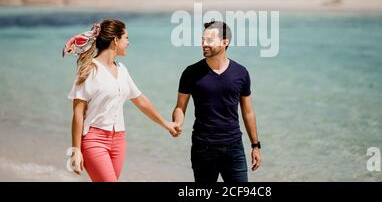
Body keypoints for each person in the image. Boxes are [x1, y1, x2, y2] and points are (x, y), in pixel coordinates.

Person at [63, 19, 181, 182]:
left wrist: (166, 124)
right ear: (116, 40)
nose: (128, 42)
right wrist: (76, 149)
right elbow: (77, 112)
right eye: (126, 38)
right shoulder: (89, 69)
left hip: (119, 140)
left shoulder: (122, 70)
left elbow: (140, 100)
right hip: (94, 140)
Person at [172, 20, 261, 183]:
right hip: (203, 148)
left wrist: (256, 145)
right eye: (202, 40)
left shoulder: (241, 73)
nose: (204, 44)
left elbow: (248, 112)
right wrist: (177, 122)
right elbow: (180, 107)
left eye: (209, 40)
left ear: (224, 42)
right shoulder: (191, 72)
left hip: (234, 147)